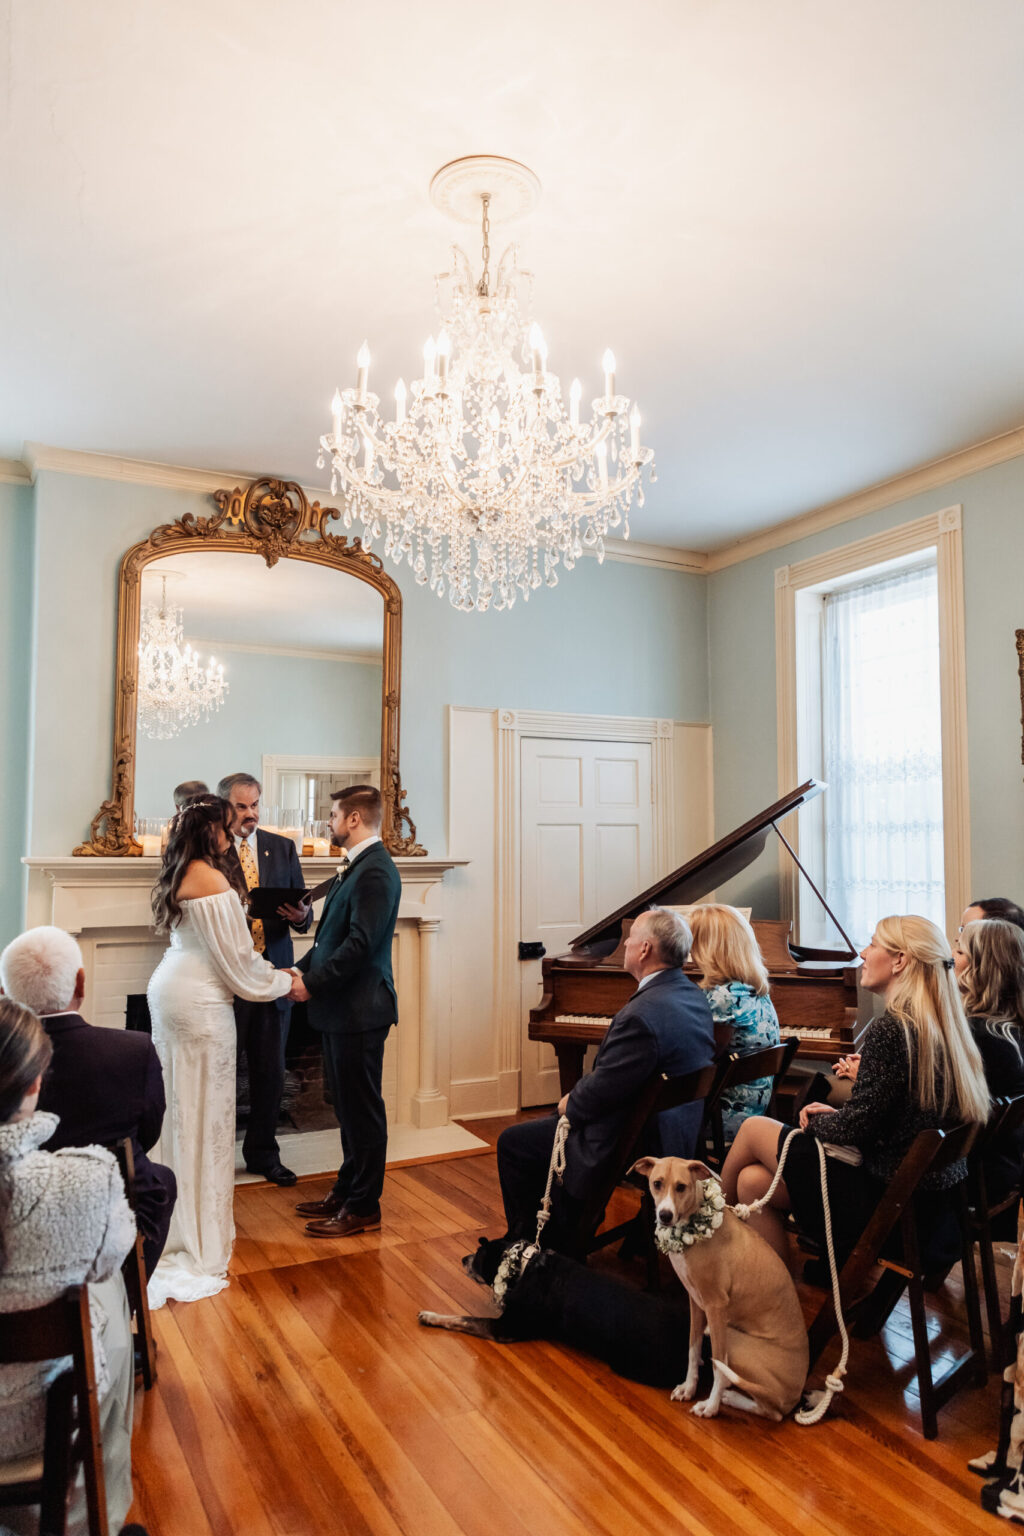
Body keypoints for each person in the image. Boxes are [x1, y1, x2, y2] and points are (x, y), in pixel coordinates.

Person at [722, 914, 990, 1271]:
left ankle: (709, 1226)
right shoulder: (939, 1023)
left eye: (873, 944)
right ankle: (777, 1294)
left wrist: (816, 1125)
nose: (863, 953)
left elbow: (858, 1129)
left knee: (754, 1129)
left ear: (900, 960)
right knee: (752, 1181)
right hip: (928, 1209)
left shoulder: (893, 1029)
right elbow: (887, 1115)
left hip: (883, 1206)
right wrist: (839, 1117)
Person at [494, 906, 716, 1256]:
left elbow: (600, 1092)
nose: (625, 945)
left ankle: (533, 1246)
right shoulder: (692, 997)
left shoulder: (642, 1017)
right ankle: (558, 1227)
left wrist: (571, 1101)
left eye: (629, 939)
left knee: (514, 1142)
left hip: (626, 1140)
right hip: (674, 1128)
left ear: (645, 950)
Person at [147, 796, 298, 1307]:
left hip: (174, 989)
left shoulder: (181, 871)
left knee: (180, 1108)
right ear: (208, 830)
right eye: (225, 828)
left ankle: (173, 1220)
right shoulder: (209, 879)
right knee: (204, 1113)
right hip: (201, 1001)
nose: (232, 836)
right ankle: (195, 1237)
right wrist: (284, 981)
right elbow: (237, 962)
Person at [0, 998, 137, 1536]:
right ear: (35, 1084)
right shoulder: (87, 1180)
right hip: (39, 1423)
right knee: (104, 1298)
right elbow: (112, 1259)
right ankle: (99, 1516)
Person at [0, 925, 176, 1276]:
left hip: (11, 1215)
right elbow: (147, 1132)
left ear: (5, 993)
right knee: (161, 1181)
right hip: (107, 1213)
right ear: (81, 983)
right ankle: (126, 1298)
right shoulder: (135, 1050)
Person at [290, 785, 401, 1238]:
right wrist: (294, 970)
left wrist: (310, 984)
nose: (330, 822)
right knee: (346, 1107)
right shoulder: (355, 867)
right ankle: (346, 1188)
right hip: (341, 1009)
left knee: (362, 1110)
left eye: (334, 814)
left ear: (354, 819)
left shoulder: (375, 871)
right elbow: (327, 941)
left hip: (361, 1011)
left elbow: (360, 946)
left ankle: (363, 1207)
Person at [217, 772, 313, 1187]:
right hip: (227, 982)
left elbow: (304, 910)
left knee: (270, 1072)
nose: (250, 814)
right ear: (225, 808)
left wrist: (300, 915)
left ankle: (262, 1155)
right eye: (241, 807)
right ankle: (214, 1157)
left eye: (255, 805)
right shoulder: (211, 849)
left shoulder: (282, 847)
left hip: (273, 977)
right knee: (220, 1071)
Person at [687, 903, 780, 1140]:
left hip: (726, 1117)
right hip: (757, 1109)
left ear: (707, 946)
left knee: (644, 1111)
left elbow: (702, 1059)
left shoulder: (723, 997)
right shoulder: (752, 989)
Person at [955, 917, 1024, 1198]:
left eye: (959, 952)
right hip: (1006, 1161)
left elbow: (944, 1112)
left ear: (981, 969)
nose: (951, 958)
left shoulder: (980, 1037)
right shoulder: (1010, 1029)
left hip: (976, 1173)